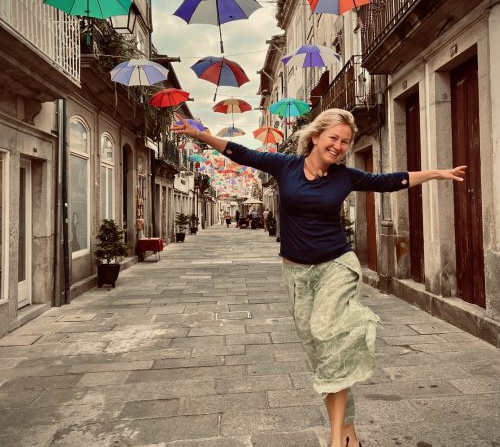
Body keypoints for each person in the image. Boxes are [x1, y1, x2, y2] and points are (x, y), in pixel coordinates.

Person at [172, 109, 466, 447]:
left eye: (345, 141)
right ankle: (348, 434)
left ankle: (334, 435)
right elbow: (242, 153)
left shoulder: (345, 176)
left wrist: (436, 174)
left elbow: (388, 181)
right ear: (315, 136)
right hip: (296, 274)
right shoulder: (286, 167)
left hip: (336, 265)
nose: (339, 146)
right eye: (334, 138)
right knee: (322, 355)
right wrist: (203, 136)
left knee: (326, 331)